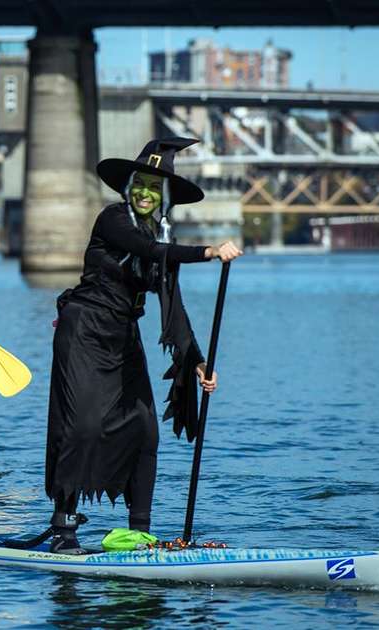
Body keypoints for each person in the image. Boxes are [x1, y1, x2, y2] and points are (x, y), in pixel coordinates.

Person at [43, 137, 243, 553]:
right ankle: (64, 530)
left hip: (122, 335)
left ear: (165, 196)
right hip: (83, 331)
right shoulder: (113, 219)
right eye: (141, 185)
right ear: (129, 187)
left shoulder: (161, 233)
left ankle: (138, 532)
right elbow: (149, 250)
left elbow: (174, 303)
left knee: (144, 429)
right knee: (82, 427)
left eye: (156, 188)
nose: (147, 194)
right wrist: (208, 251)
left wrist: (197, 363)